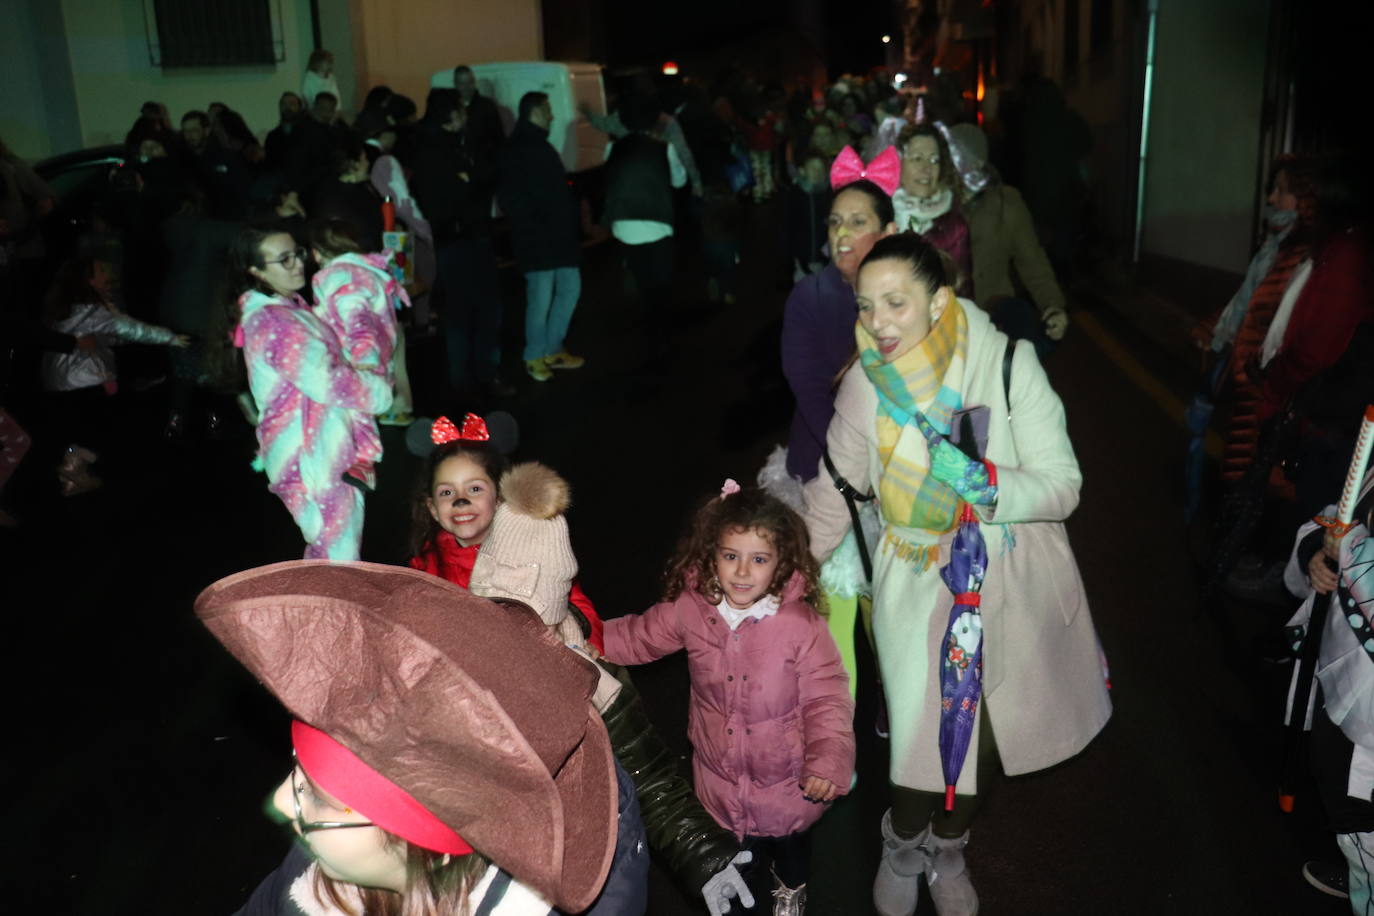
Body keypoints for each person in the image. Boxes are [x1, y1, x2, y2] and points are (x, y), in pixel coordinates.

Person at [801, 233, 1111, 916]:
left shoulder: (1006, 364)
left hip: (1007, 578)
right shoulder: (865, 384)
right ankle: (902, 840)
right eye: (867, 305)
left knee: (984, 747)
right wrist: (783, 576)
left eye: (896, 303)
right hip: (913, 581)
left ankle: (949, 845)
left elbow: (1063, 484)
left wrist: (986, 485)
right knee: (921, 745)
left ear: (939, 300)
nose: (879, 322)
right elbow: (835, 489)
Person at [194, 559, 623, 915]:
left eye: (320, 796)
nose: (283, 802)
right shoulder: (317, 863)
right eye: (298, 767)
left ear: (429, 850)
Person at [454, 454, 759, 916]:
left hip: (601, 864)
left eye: (517, 607)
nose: (504, 625)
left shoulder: (595, 684)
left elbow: (652, 780)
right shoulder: (459, 658)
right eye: (493, 602)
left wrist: (706, 858)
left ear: (549, 606)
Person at [602, 482, 856, 913]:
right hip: (719, 780)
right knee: (738, 860)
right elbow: (638, 636)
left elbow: (826, 696)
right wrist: (587, 637)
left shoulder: (800, 626)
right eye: (730, 556)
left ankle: (791, 889)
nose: (742, 572)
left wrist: (829, 757)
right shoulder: (692, 609)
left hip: (788, 786)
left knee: (791, 850)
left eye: (758, 559)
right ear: (711, 555)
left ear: (780, 564)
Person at [229, 224, 393, 559]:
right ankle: (333, 612)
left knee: (331, 553)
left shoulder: (288, 309)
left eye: (297, 254)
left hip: (320, 445)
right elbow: (328, 380)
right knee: (340, 559)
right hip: (313, 454)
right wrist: (379, 393)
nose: (297, 264)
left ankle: (328, 611)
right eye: (283, 260)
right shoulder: (275, 322)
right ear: (255, 270)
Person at [407, 413, 604, 654]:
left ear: (499, 498)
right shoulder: (425, 566)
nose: (460, 500)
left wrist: (589, 640)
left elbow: (573, 599)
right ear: (433, 509)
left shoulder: (530, 549)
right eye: (447, 493)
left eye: (475, 489)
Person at [41, 256, 190, 495]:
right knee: (101, 429)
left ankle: (71, 482)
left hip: (59, 381)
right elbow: (131, 329)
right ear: (87, 280)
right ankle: (72, 467)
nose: (108, 276)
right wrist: (171, 338)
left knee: (79, 430)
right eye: (101, 271)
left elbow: (110, 336)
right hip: (85, 381)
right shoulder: (93, 312)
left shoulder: (68, 309)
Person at [410, 89, 509, 402]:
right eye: (461, 110)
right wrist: (472, 183)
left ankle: (476, 378)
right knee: (466, 314)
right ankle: (468, 382)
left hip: (468, 238)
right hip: (457, 241)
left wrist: (473, 180)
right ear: (449, 116)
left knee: (479, 312)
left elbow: (483, 177)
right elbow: (454, 197)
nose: (466, 114)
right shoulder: (434, 152)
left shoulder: (460, 144)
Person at [946, 123, 1068, 359]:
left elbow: (1032, 262)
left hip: (995, 322)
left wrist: (1052, 306)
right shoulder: (933, 206)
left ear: (982, 161)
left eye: (967, 158)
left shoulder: (1006, 204)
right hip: (945, 329)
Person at [309, 219, 405, 491]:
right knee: (357, 414)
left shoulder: (339, 276)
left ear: (317, 252)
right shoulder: (364, 269)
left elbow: (357, 317)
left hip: (359, 360)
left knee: (357, 413)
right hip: (375, 356)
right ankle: (359, 462)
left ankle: (363, 464)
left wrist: (362, 358)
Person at [498, 92, 586, 382]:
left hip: (552, 237)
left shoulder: (533, 146)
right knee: (542, 297)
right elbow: (516, 198)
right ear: (534, 112)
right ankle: (535, 354)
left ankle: (551, 348)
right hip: (540, 239)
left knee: (566, 289)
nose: (552, 115)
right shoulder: (525, 148)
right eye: (547, 110)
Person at [602, 95, 687, 355]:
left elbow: (609, 180)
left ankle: (649, 331)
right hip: (657, 222)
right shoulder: (664, 148)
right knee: (661, 282)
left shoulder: (612, 149)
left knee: (642, 280)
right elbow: (679, 181)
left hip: (624, 224)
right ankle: (661, 335)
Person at [891, 124, 972, 298]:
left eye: (934, 160)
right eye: (917, 158)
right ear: (898, 163)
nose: (926, 169)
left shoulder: (954, 227)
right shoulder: (880, 215)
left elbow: (962, 294)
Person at [312, 134, 385, 253]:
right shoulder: (338, 202)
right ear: (353, 164)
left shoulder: (359, 186)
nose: (367, 163)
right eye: (364, 159)